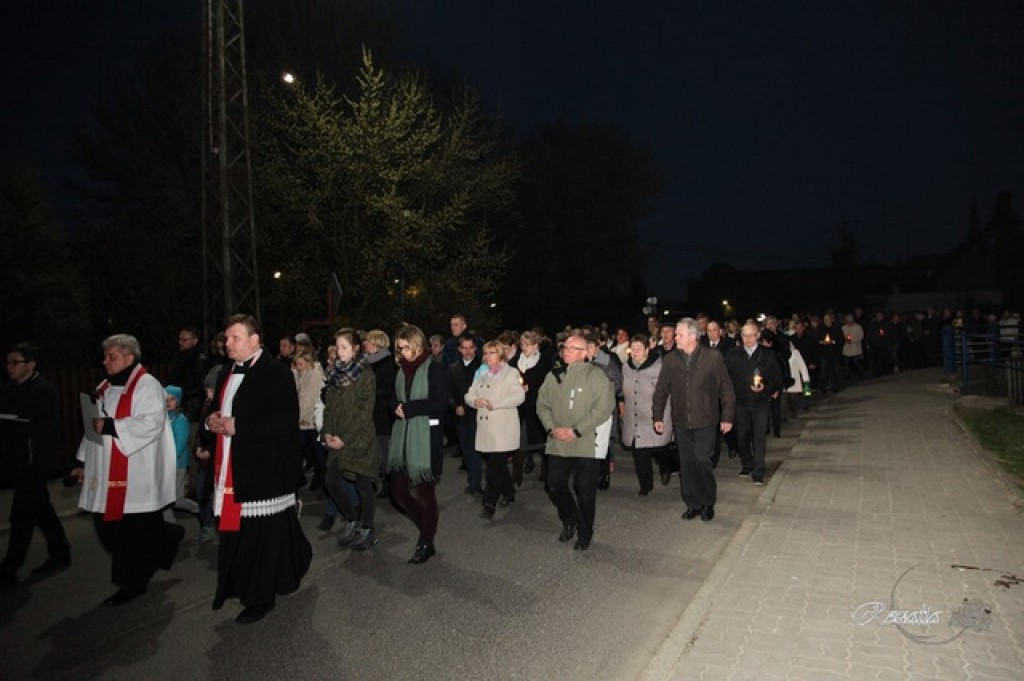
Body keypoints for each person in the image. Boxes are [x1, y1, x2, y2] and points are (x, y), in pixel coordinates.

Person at [206, 314, 312, 624]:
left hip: (264, 468)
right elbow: (223, 410)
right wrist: (211, 421)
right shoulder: (227, 371)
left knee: (258, 537)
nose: (228, 343)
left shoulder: (274, 373)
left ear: (255, 341)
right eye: (227, 338)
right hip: (233, 464)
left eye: (235, 337)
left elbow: (284, 419)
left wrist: (237, 426)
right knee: (268, 532)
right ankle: (293, 564)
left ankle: (259, 596)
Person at [72, 334, 180, 606]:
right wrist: (82, 462)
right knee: (110, 527)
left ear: (130, 358)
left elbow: (151, 424)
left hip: (135, 471)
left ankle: (132, 584)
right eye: (106, 356)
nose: (105, 361)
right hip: (105, 468)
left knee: (127, 533)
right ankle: (166, 536)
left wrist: (110, 426)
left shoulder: (146, 385)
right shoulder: (105, 386)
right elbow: (92, 424)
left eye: (112, 357)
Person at [0, 343, 71, 589]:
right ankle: (61, 551)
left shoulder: (44, 391)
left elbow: (43, 432)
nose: (9, 367)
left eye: (14, 362)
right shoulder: (10, 390)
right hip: (17, 462)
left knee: (21, 515)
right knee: (41, 508)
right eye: (7, 362)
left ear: (30, 364)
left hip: (35, 464)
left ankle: (10, 566)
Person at [536, 333, 615, 551]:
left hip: (585, 444)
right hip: (558, 442)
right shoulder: (553, 376)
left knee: (585, 490)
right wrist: (552, 428)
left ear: (584, 354)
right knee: (555, 485)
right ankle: (570, 518)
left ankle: (585, 532)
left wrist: (577, 430)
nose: (566, 351)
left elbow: (604, 407)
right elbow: (542, 404)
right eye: (565, 348)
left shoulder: (596, 376)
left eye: (572, 348)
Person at [653, 319, 734, 521]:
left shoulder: (712, 357)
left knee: (702, 460)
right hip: (681, 422)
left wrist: (727, 417)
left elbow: (726, 389)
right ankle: (693, 503)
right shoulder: (671, 360)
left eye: (679, 334)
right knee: (686, 464)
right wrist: (658, 415)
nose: (675, 338)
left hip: (706, 420)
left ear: (692, 336)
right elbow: (661, 390)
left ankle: (708, 502)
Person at [389, 324, 450, 564]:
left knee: (426, 493)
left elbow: (440, 402)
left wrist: (410, 408)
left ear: (416, 345)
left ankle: (426, 541)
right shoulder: (400, 371)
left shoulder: (434, 369)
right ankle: (427, 523)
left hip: (426, 439)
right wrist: (395, 407)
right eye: (399, 348)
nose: (402, 352)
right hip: (402, 437)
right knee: (398, 493)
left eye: (406, 347)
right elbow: (393, 397)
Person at [321, 328, 380, 550]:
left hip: (359, 439)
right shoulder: (334, 375)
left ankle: (368, 528)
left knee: (363, 485)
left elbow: (365, 412)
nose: (339, 351)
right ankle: (353, 519)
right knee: (332, 482)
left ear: (355, 348)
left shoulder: (365, 374)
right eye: (337, 347)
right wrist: (326, 433)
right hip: (336, 438)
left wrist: (344, 438)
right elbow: (329, 410)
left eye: (344, 347)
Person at [466, 340, 525, 520]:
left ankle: (489, 502)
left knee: (494, 466)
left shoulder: (511, 373)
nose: (487, 356)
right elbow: (469, 393)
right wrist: (474, 401)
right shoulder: (481, 373)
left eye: (492, 353)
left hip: (502, 427)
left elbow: (519, 396)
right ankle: (509, 491)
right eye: (486, 353)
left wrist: (495, 404)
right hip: (485, 426)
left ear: (500, 354)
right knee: (496, 463)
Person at [725, 322, 784, 486]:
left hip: (760, 403)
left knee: (759, 437)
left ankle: (759, 470)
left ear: (758, 335)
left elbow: (777, 378)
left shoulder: (767, 355)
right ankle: (747, 463)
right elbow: (725, 379)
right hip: (740, 402)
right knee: (742, 436)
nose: (747, 339)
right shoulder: (733, 354)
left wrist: (766, 387)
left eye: (751, 335)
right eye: (744, 335)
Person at [620, 334, 674, 496]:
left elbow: (667, 392)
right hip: (634, 418)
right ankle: (646, 485)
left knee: (659, 449)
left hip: (654, 417)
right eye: (632, 349)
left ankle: (666, 467)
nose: (635, 352)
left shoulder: (660, 367)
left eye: (639, 349)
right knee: (639, 454)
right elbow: (622, 390)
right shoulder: (626, 367)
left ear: (647, 350)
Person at [513, 330, 551, 484]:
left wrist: (533, 388)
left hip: (537, 407)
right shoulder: (515, 362)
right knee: (519, 443)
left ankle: (545, 471)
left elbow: (549, 385)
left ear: (536, 346)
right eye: (522, 344)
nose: (523, 348)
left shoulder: (545, 363)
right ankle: (516, 476)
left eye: (527, 345)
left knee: (542, 443)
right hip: (519, 408)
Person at [361, 329, 396, 499]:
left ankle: (389, 482)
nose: (364, 344)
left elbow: (387, 388)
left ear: (375, 343)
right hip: (373, 412)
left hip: (382, 414)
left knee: (383, 449)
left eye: (366, 341)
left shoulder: (385, 363)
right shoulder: (369, 362)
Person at [449, 333, 483, 496]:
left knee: (476, 452)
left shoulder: (482, 368)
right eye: (464, 348)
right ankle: (473, 481)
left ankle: (476, 484)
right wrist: (455, 406)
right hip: (460, 417)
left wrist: (467, 407)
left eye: (471, 348)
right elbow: (448, 391)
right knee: (467, 451)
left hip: (478, 415)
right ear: (459, 350)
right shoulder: (453, 368)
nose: (468, 351)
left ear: (476, 349)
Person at [163, 385, 197, 519]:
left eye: (172, 399)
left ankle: (198, 509)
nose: (167, 402)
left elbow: (180, 444)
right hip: (166, 463)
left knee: (173, 499)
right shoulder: (163, 418)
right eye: (165, 398)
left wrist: (170, 458)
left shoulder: (180, 420)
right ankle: (169, 526)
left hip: (177, 464)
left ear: (178, 402)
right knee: (167, 497)